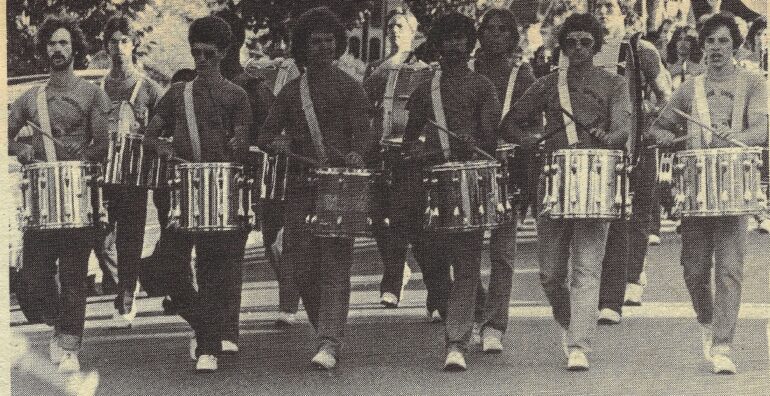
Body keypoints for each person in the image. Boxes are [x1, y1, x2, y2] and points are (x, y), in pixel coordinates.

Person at [647, 12, 768, 374]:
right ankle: (708, 318)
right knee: (694, 270)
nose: (716, 48)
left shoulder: (754, 82)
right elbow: (658, 128)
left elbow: (762, 130)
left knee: (729, 269)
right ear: (703, 45)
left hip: (733, 185)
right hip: (696, 189)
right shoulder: (690, 88)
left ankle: (723, 345)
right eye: (711, 41)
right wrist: (664, 135)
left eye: (724, 41)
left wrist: (731, 138)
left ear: (737, 45)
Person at [510, 13, 630, 370]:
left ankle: (578, 344)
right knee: (549, 273)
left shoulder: (614, 83)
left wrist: (611, 138)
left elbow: (623, 127)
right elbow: (511, 123)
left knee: (587, 268)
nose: (578, 48)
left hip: (596, 179)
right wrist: (529, 140)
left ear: (596, 46)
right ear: (562, 46)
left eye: (586, 42)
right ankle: (571, 319)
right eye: (571, 42)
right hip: (553, 182)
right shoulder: (547, 84)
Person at [257, 7, 373, 370]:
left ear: (338, 45)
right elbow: (264, 135)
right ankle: (326, 328)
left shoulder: (351, 87)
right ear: (303, 48)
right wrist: (274, 143)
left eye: (329, 41)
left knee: (337, 263)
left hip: (340, 184)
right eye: (315, 42)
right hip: (301, 186)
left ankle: (329, 340)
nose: (323, 47)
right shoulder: (291, 93)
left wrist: (358, 152)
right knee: (300, 266)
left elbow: (366, 132)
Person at [143, 15, 253, 372]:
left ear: (223, 53)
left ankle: (208, 347)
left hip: (220, 191)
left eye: (208, 53)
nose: (201, 59)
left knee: (211, 270)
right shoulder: (177, 94)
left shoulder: (237, 96)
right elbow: (150, 134)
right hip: (182, 191)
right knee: (171, 270)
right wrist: (157, 145)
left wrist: (237, 143)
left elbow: (242, 143)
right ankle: (209, 328)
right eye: (196, 53)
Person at [9, 14, 111, 373]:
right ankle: (59, 322)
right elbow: (5, 136)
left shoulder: (92, 94)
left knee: (73, 275)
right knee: (32, 277)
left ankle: (69, 346)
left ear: (75, 48)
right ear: (45, 49)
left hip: (79, 197)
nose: (57, 49)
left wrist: (83, 155)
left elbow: (103, 144)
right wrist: (18, 148)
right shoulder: (30, 98)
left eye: (64, 42)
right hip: (41, 201)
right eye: (52, 43)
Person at [403, 12, 501, 371]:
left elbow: (491, 139)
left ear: (470, 43)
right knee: (433, 263)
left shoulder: (482, 86)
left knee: (466, 264)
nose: (455, 45)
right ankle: (471, 315)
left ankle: (455, 341)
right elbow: (410, 138)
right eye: (448, 39)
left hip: (468, 181)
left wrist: (477, 140)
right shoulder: (425, 86)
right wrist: (415, 151)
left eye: (462, 38)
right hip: (431, 183)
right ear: (438, 45)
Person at [591, 0, 672, 319]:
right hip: (601, 147)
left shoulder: (642, 50)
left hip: (639, 143)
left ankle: (632, 276)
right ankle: (606, 281)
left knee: (638, 213)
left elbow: (666, 95)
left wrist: (652, 127)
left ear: (623, 14)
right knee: (605, 215)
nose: (601, 13)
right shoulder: (583, 50)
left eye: (608, 7)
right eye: (596, 6)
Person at [469, 8, 537, 353]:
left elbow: (536, 122)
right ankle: (478, 309)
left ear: (512, 37)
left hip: (510, 171)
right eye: (489, 29)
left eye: (502, 30)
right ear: (479, 36)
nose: (495, 35)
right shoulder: (464, 70)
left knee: (502, 253)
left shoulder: (521, 73)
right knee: (460, 251)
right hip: (467, 168)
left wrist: (524, 140)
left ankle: (495, 324)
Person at [363, 7, 434, 311]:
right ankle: (399, 267)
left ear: (413, 33)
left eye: (401, 26)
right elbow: (364, 105)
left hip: (412, 151)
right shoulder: (376, 67)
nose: (394, 30)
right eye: (390, 25)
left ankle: (398, 281)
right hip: (380, 149)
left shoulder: (424, 68)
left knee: (410, 220)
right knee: (377, 217)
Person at [215, 8, 277, 346]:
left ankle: (225, 330)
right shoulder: (192, 87)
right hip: (203, 185)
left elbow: (269, 139)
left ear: (235, 44)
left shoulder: (254, 88)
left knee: (229, 257)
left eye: (217, 45)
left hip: (242, 184)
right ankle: (211, 324)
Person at [98, 16, 164, 329]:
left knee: (130, 238)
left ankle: (126, 293)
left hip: (135, 175)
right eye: (112, 41)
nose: (118, 47)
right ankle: (129, 279)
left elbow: (167, 127)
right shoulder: (96, 89)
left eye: (124, 40)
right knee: (100, 235)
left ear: (133, 44)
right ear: (105, 45)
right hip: (101, 175)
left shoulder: (149, 88)